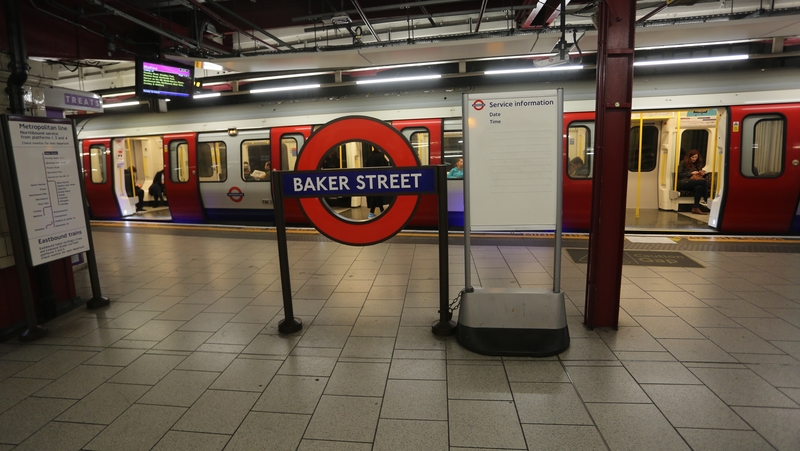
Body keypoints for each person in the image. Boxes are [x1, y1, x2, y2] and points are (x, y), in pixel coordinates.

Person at [677, 149, 709, 215]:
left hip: (692, 182)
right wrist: (691, 173)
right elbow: (680, 174)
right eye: (693, 157)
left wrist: (701, 173)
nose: (694, 159)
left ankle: (695, 207)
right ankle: (707, 200)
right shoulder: (683, 163)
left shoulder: (696, 165)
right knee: (703, 182)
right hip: (683, 182)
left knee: (699, 187)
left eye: (696, 157)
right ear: (689, 157)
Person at [365, 146, 389, 218]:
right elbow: (385, 166)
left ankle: (378, 211)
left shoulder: (369, 157)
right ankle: (374, 212)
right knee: (377, 195)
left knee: (375, 195)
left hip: (371, 179)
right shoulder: (381, 156)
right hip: (380, 179)